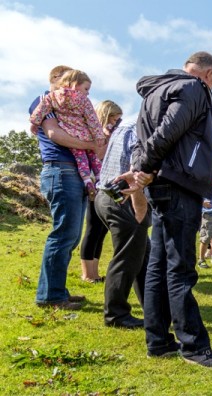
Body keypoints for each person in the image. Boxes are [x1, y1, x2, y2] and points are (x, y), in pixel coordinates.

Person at [130, 51, 212, 367]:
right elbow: (170, 130)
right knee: (180, 267)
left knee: (158, 264)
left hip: (162, 183)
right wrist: (145, 166)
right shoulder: (193, 89)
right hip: (180, 183)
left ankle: (158, 341)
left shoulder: (156, 91)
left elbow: (140, 137)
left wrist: (142, 169)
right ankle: (193, 345)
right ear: (209, 74)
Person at [30, 65, 105, 311]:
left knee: (70, 236)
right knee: (63, 234)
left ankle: (55, 290)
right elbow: (55, 135)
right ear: (55, 80)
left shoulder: (72, 105)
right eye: (65, 80)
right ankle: (50, 296)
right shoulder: (45, 101)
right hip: (61, 170)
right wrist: (91, 144)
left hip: (74, 172)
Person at [95, 118, 150, 329]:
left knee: (143, 254)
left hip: (106, 196)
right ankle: (116, 315)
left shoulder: (126, 124)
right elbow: (136, 171)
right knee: (127, 259)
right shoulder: (141, 129)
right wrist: (140, 211)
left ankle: (154, 307)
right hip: (123, 199)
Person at [30, 69, 106, 201]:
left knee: (82, 157)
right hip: (62, 166)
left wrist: (34, 123)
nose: (87, 92)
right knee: (69, 221)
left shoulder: (52, 98)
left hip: (71, 153)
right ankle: (99, 178)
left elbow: (40, 111)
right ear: (56, 78)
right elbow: (55, 133)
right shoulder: (48, 97)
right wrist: (97, 139)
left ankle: (89, 180)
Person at [80, 100, 123, 283]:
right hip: (93, 185)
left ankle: (94, 272)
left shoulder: (113, 135)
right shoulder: (93, 134)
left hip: (107, 186)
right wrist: (106, 135)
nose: (116, 122)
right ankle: (87, 273)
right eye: (114, 117)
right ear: (105, 116)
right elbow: (98, 154)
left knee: (102, 230)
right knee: (92, 228)